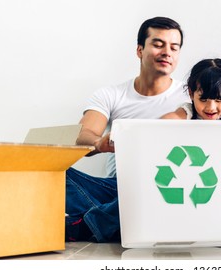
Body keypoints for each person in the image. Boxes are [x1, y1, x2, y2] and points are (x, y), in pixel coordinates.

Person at [65, 17, 190, 242]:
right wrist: (100, 142)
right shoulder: (112, 94)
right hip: (117, 187)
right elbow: (80, 136)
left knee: (157, 194)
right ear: (139, 50)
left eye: (174, 47)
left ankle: (93, 222)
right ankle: (113, 219)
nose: (167, 52)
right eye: (158, 44)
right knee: (53, 172)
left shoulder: (192, 95)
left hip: (170, 186)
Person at [161, 58, 221, 213]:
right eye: (203, 99)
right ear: (192, 94)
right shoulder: (188, 114)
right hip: (195, 187)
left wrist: (219, 139)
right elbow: (159, 125)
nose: (211, 107)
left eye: (218, 99)